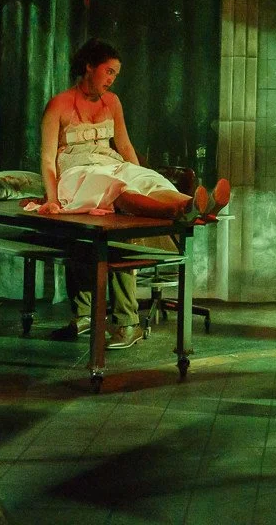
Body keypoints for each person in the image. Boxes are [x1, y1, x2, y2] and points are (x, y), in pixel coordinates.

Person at [34, 37, 229, 347]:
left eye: (115, 74)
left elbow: (124, 146)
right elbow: (47, 159)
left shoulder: (112, 102)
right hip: (77, 173)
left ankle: (193, 205)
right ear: (89, 66)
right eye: (108, 71)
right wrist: (53, 199)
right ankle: (176, 210)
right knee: (117, 190)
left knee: (143, 180)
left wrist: (141, 175)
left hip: (109, 163)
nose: (112, 79)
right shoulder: (59, 104)